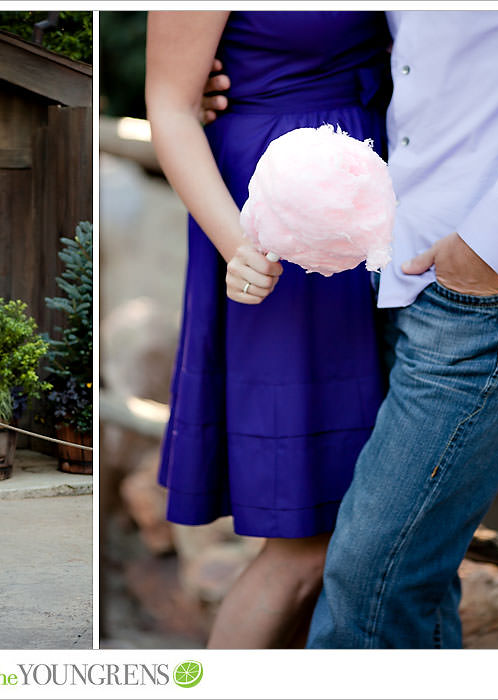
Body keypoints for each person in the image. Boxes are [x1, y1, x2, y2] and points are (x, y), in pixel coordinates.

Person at [215, 10, 498, 648]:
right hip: (396, 267)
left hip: (482, 281)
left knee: (368, 575)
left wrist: (493, 242)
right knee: (417, 575)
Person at [146, 10, 392, 647]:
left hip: (383, 197)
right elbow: (169, 105)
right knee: (314, 531)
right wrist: (242, 249)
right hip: (282, 214)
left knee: (367, 522)